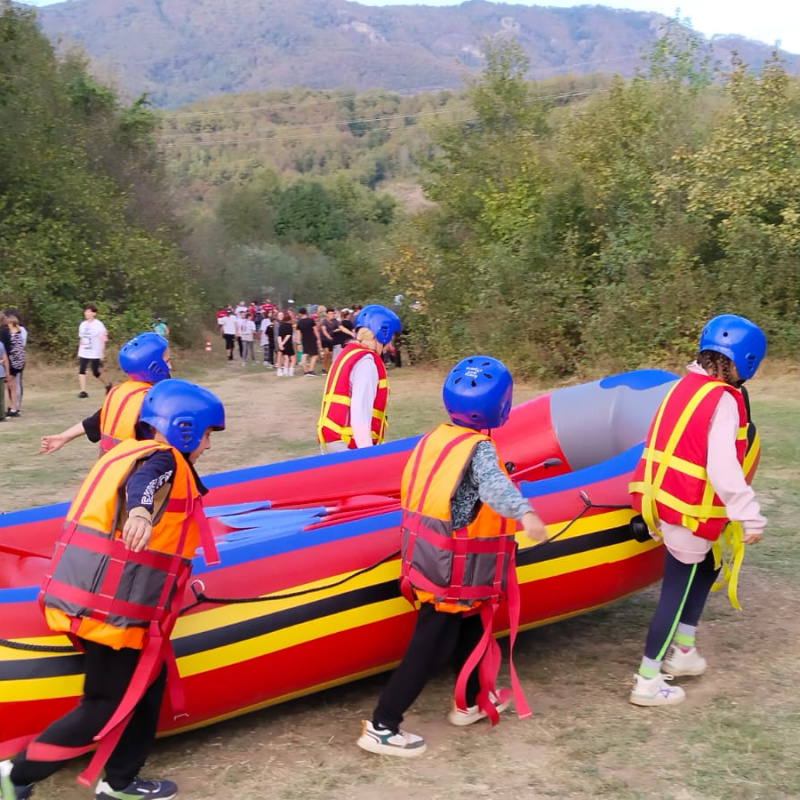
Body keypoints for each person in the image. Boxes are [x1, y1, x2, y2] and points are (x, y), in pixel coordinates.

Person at [0, 379, 224, 800]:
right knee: (102, 703)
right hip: (112, 612)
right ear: (184, 428)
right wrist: (140, 511)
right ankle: (14, 775)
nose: (209, 445)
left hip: (96, 601)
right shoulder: (163, 460)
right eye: (208, 434)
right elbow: (145, 484)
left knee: (146, 683)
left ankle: (120, 780)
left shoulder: (128, 448)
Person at [357, 355, 548, 757]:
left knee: (471, 628)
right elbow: (494, 486)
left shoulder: (437, 437)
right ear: (503, 406)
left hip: (427, 559)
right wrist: (525, 512)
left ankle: (473, 700)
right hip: (451, 572)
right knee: (430, 649)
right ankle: (382, 724)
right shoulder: (478, 450)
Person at [627, 314, 767, 707]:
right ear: (746, 361)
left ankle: (684, 651)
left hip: (663, 502)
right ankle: (648, 680)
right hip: (686, 512)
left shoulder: (685, 386)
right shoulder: (721, 400)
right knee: (677, 587)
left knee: (706, 569)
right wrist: (748, 514)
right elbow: (723, 467)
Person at [40, 333, 171, 457]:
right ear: (154, 366)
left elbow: (96, 420)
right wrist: (63, 437)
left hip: (115, 468)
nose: (170, 367)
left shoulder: (122, 393)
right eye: (167, 361)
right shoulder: (153, 400)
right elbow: (96, 420)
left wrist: (64, 436)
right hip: (139, 469)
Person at [317, 304, 401, 452]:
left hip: (332, 438)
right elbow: (360, 411)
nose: (389, 345)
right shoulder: (367, 363)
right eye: (391, 338)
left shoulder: (349, 353)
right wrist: (367, 454)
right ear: (383, 334)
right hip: (348, 443)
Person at [77, 304, 110, 398]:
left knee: (95, 372)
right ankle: (83, 391)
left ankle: (108, 385)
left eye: (89, 311)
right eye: (85, 311)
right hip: (84, 351)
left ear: (94, 313)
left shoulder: (99, 325)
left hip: (95, 352)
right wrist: (79, 350)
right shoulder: (83, 325)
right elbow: (81, 338)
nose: (86, 313)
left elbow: (103, 337)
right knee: (81, 370)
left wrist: (102, 351)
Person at [296, 307, 320, 376]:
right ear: (306, 312)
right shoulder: (310, 321)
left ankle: (305, 370)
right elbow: (315, 330)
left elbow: (298, 333)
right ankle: (311, 370)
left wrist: (298, 343)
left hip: (304, 339)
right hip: (312, 339)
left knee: (304, 354)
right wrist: (318, 339)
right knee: (314, 355)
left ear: (300, 314)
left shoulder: (299, 322)